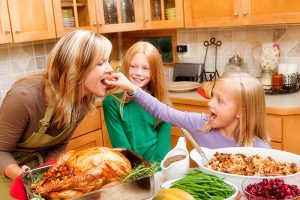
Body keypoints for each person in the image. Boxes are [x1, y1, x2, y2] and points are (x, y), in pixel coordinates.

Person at [0, 30, 113, 199]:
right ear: (76, 68)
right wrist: (22, 177)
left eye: (108, 61)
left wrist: (46, 177)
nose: (110, 69)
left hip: (37, 174)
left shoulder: (83, 99)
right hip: (8, 175)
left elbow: (59, 145)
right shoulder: (23, 98)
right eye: (101, 63)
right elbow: (1, 151)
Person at [106, 72, 271, 149]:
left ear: (241, 112)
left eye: (219, 100)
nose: (210, 104)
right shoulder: (201, 124)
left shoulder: (260, 150)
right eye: (212, 96)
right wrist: (131, 88)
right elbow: (163, 111)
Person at [102, 41, 172, 164]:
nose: (138, 73)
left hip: (157, 170)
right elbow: (123, 151)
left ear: (154, 72)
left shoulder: (162, 105)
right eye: (133, 66)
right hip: (131, 171)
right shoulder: (112, 103)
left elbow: (163, 152)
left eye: (145, 68)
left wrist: (157, 172)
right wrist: (141, 176)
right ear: (126, 67)